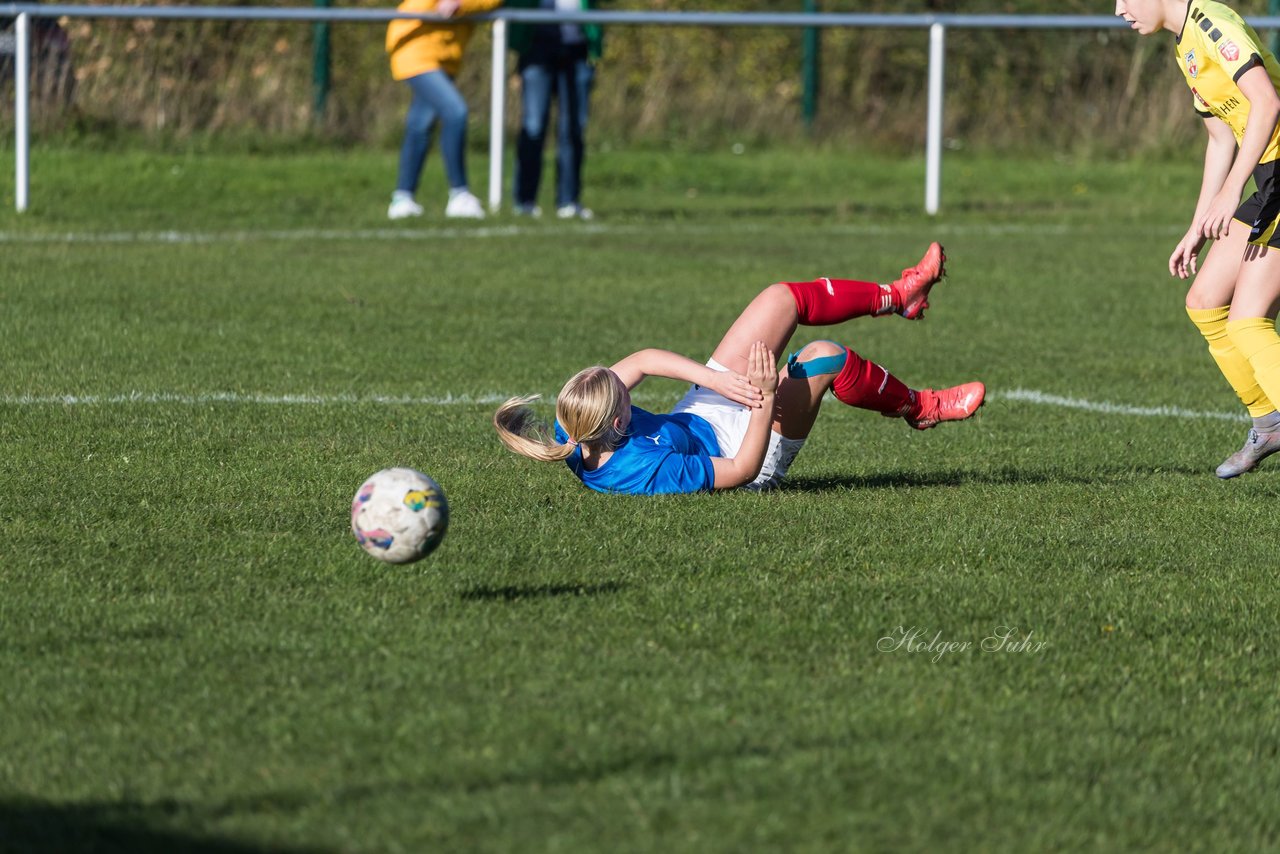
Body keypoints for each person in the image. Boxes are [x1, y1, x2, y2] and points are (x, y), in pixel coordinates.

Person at [493, 244, 986, 494]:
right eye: (623, 397)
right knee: (828, 356)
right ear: (619, 424)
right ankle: (920, 407)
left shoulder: (577, 421)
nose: (627, 387)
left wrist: (714, 380)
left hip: (703, 414)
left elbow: (642, 361)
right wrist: (765, 394)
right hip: (741, 451)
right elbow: (743, 469)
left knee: (780, 298)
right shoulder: (642, 470)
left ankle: (900, 297)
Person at [1116, 0, 1280, 477]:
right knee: (1205, 302)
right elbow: (1220, 139)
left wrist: (1233, 191)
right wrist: (1197, 226)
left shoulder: (1213, 23)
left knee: (1248, 322)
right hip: (1269, 179)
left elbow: (1268, 102)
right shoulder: (1184, 44)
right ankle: (1268, 423)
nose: (1119, 9)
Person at [386, 0, 502, 220]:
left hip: (443, 56)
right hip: (416, 50)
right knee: (455, 112)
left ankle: (402, 198)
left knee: (420, 124)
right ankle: (459, 193)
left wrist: (461, 3)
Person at [506, 0, 603, 219]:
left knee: (573, 128)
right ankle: (524, 201)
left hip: (578, 50)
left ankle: (568, 201)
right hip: (537, 47)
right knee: (534, 125)